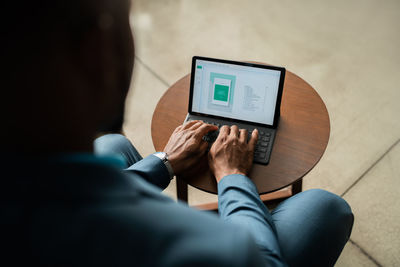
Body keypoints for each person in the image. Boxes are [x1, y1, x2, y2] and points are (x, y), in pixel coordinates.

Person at [2, 1, 353, 266]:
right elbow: (260, 259)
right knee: (326, 207)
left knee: (112, 145)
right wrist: (232, 178)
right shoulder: (213, 250)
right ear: (99, 56)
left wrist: (164, 163)